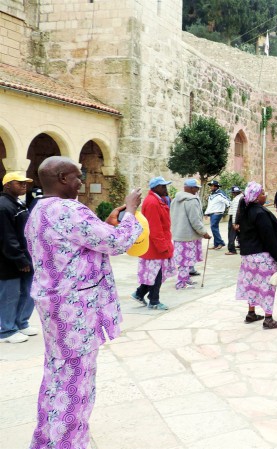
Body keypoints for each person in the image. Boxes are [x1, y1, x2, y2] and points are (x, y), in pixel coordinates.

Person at [25, 156, 142, 449]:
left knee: (56, 376)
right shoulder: (68, 210)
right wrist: (130, 211)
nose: (81, 181)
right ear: (63, 177)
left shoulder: (39, 210)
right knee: (75, 384)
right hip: (75, 311)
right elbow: (116, 243)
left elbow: (80, 244)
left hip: (55, 306)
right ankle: (67, 443)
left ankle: (46, 439)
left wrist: (106, 223)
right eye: (78, 176)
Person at [235, 182, 277, 329]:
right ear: (256, 197)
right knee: (267, 287)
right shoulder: (260, 213)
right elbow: (269, 238)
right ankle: (268, 318)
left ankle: (251, 313)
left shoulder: (245, 211)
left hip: (248, 257)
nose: (265, 195)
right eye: (263, 193)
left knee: (252, 285)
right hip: (262, 258)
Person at [0, 172, 36, 343]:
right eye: (19, 183)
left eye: (25, 183)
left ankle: (21, 323)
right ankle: (6, 330)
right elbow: (7, 237)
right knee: (10, 295)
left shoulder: (17, 204)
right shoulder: (3, 206)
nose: (24, 185)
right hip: (8, 261)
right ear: (7, 185)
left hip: (24, 257)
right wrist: (19, 259)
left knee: (29, 291)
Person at [132, 176, 175, 310]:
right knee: (156, 273)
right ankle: (154, 301)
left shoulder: (157, 200)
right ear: (155, 187)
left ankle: (139, 293)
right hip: (155, 246)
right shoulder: (153, 202)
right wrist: (164, 248)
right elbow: (155, 228)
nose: (165, 189)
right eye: (163, 186)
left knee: (155, 273)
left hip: (157, 244)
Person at [170, 179, 211, 290]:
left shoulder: (175, 199)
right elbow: (195, 220)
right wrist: (204, 232)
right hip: (188, 235)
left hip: (178, 234)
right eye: (196, 188)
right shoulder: (192, 201)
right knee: (186, 260)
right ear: (191, 188)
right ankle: (181, 283)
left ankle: (186, 279)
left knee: (184, 259)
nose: (197, 190)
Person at [204, 179, 230, 250]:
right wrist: (206, 213)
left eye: (213, 186)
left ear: (216, 187)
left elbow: (227, 200)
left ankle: (220, 242)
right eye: (211, 186)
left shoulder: (220, 193)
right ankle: (216, 244)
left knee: (213, 227)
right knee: (214, 228)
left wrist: (229, 208)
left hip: (218, 212)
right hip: (212, 213)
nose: (211, 187)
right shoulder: (211, 194)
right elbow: (210, 205)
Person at [225, 186, 243, 255]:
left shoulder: (236, 200)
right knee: (239, 233)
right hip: (239, 219)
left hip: (234, 218)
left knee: (231, 235)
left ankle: (232, 250)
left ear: (234, 193)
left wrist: (234, 222)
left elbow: (235, 211)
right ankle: (242, 246)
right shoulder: (241, 197)